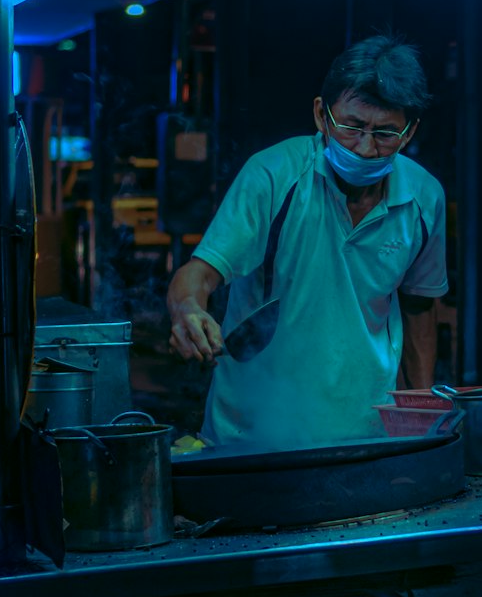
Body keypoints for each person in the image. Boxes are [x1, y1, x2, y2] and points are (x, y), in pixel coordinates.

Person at [167, 34, 448, 449]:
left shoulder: (425, 198)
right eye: (352, 126)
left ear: (409, 133)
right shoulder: (272, 176)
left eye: (385, 133)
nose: (367, 148)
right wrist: (187, 310)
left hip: (365, 436)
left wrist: (422, 416)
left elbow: (420, 306)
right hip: (253, 436)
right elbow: (199, 273)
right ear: (321, 115)